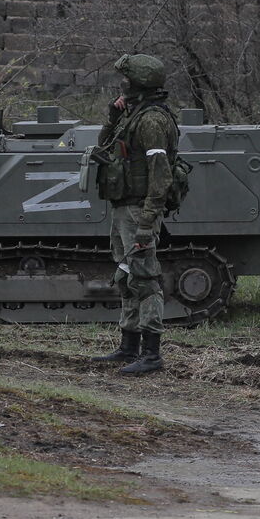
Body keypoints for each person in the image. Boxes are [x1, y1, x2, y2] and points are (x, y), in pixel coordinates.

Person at [91, 53, 180, 375]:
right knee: (126, 277)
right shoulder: (132, 115)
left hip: (139, 209)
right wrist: (112, 117)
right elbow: (103, 149)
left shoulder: (151, 121)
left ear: (139, 83)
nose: (122, 84)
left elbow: (161, 177)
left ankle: (152, 355)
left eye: (127, 79)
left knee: (144, 279)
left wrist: (146, 222)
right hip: (123, 207)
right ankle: (129, 346)